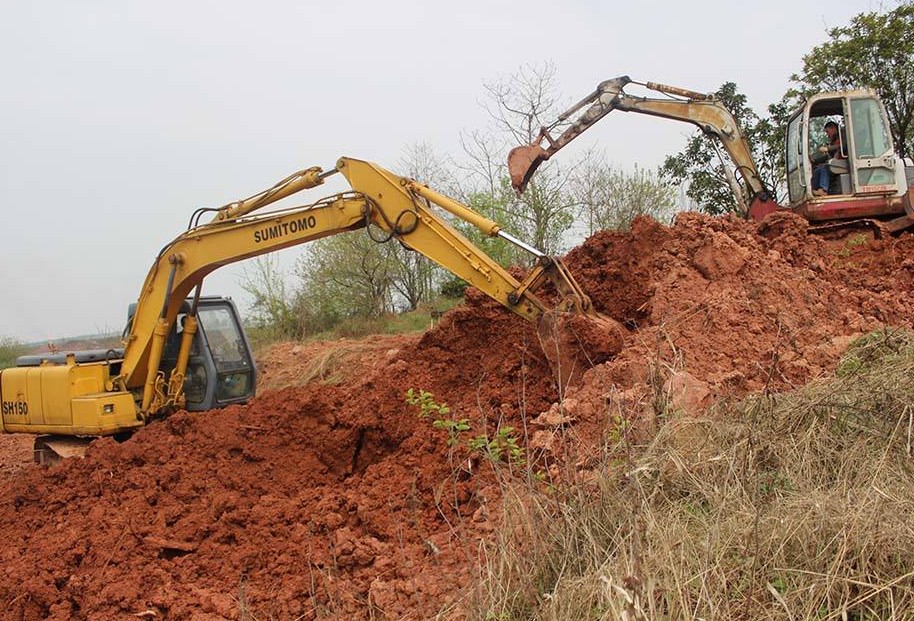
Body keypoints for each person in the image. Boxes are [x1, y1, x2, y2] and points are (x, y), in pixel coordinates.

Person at [811, 120, 844, 197]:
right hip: (836, 163)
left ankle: (824, 189)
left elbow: (843, 146)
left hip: (844, 161)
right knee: (817, 170)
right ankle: (816, 190)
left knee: (825, 167)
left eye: (827, 132)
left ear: (833, 128)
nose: (827, 134)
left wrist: (828, 149)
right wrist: (815, 161)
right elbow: (828, 156)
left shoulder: (843, 135)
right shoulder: (833, 140)